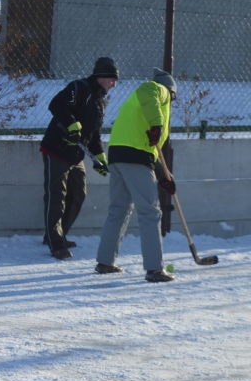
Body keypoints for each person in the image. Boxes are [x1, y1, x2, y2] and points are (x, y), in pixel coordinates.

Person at [94, 67, 178, 282]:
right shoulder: (158, 89)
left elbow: (152, 148)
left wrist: (163, 176)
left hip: (118, 154)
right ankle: (154, 268)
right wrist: (157, 125)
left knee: (118, 209)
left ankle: (105, 262)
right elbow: (148, 93)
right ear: (172, 90)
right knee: (150, 212)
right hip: (135, 157)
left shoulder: (137, 105)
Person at [40, 57, 119, 260]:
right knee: (56, 197)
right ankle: (56, 243)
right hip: (56, 151)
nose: (114, 84)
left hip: (76, 156)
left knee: (78, 194)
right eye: (113, 79)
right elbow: (56, 104)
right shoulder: (78, 88)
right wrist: (71, 124)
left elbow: (93, 133)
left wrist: (99, 156)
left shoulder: (100, 101)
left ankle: (59, 234)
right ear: (102, 76)